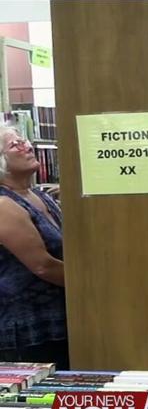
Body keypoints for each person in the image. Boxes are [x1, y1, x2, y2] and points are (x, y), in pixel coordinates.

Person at [0, 127, 68, 369]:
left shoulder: (41, 195)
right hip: (29, 330)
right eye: (14, 145)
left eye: (24, 140)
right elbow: (42, 266)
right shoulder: (3, 204)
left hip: (58, 320)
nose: (26, 146)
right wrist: (93, 285)